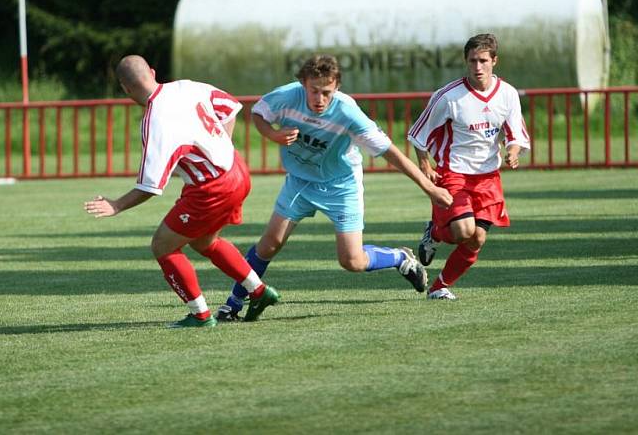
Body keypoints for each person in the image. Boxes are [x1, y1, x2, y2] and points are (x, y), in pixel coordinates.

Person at [217, 54, 453, 321]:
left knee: (352, 261)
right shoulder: (287, 96)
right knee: (269, 245)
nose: (319, 99)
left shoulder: (348, 112)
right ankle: (232, 304)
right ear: (303, 83)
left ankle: (400, 258)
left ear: (337, 87)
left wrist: (428, 188)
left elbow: (390, 152)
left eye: (326, 92)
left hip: (341, 186)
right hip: (300, 182)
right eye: (314, 91)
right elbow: (259, 113)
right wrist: (272, 135)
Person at [84, 55, 280, 327]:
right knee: (204, 242)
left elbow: (151, 186)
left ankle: (200, 315)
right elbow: (230, 107)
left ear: (126, 89)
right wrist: (220, 146)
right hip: (238, 169)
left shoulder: (154, 122)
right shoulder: (186, 86)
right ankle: (258, 292)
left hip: (213, 188)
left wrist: (116, 205)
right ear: (152, 72)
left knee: (163, 245)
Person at [407, 33, 531, 300]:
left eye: (483, 60)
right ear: (466, 61)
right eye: (472, 60)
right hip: (455, 172)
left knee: (477, 239)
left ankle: (439, 287)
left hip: (488, 177)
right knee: (463, 231)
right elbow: (418, 133)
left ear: (494, 61)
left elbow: (516, 135)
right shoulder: (449, 96)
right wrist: (425, 163)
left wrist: (513, 152)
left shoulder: (507, 94)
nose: (478, 67)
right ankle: (436, 232)